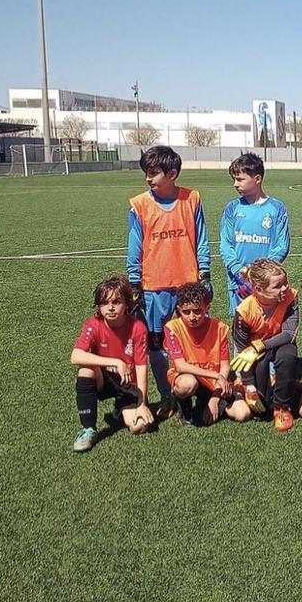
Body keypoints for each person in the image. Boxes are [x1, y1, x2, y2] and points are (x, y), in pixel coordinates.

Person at [126, 145, 210, 410]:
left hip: (189, 283)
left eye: (153, 173)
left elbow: (202, 238)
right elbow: (134, 244)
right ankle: (166, 393)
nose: (148, 178)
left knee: (195, 338)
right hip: (154, 286)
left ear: (172, 173)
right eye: (146, 173)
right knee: (156, 343)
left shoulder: (192, 199)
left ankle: (202, 389)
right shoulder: (139, 205)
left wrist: (204, 274)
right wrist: (134, 282)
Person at [70, 276, 152, 452]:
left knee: (139, 427)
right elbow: (75, 356)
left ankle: (122, 409)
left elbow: (141, 366)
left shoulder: (138, 327)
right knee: (86, 369)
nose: (111, 307)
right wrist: (115, 362)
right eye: (105, 302)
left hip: (128, 383)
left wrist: (142, 403)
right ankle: (88, 429)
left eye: (116, 301)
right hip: (104, 379)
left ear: (127, 304)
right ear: (98, 306)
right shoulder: (94, 324)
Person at [230, 258, 300, 432]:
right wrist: (248, 384)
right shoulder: (244, 311)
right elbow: (241, 350)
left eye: (285, 282)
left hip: (275, 345)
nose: (285, 288)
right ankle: (272, 389)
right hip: (254, 354)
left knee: (288, 355)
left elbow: (289, 334)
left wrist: (259, 346)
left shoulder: (290, 296)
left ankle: (282, 408)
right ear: (259, 289)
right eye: (278, 286)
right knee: (261, 406)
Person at [220, 152, 290, 312]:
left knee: (269, 330)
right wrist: (239, 272)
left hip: (268, 284)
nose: (235, 184)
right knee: (241, 331)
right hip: (239, 283)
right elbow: (226, 245)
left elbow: (282, 246)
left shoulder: (277, 208)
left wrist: (260, 273)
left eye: (240, 179)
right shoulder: (232, 208)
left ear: (257, 179)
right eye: (234, 179)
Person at [163, 281, 240, 426]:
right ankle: (184, 407)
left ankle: (207, 402)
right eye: (186, 312)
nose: (192, 317)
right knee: (187, 383)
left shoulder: (220, 328)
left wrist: (215, 398)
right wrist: (217, 376)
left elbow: (225, 367)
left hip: (214, 382)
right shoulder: (173, 328)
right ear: (179, 310)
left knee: (242, 414)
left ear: (207, 308)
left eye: (197, 311)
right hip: (190, 377)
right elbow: (180, 366)